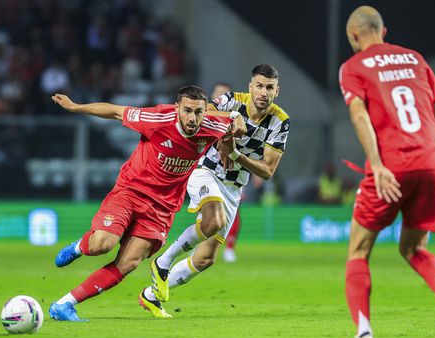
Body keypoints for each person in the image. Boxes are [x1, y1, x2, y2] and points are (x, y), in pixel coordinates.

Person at [48, 85, 246, 321]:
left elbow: (233, 125)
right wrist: (75, 107)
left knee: (129, 262)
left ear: (205, 112)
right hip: (131, 191)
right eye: (187, 111)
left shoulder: (212, 124)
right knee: (102, 244)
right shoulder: (158, 118)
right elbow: (115, 112)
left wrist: (231, 135)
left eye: (198, 112)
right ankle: (81, 246)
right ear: (177, 109)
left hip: (162, 208)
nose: (193, 118)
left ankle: (64, 305)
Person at [337, 6, 435, 338]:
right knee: (413, 248)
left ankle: (364, 335)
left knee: (358, 252)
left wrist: (378, 165)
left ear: (353, 36)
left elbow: (359, 113)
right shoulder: (415, 59)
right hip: (432, 161)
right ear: (384, 30)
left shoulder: (353, 67)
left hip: (391, 165)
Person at [142, 64, 291, 309]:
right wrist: (229, 125)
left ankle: (150, 294)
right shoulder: (232, 101)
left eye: (270, 88)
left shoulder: (280, 122)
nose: (264, 92)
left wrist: (234, 154)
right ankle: (163, 262)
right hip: (205, 171)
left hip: (234, 188)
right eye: (260, 86)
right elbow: (205, 112)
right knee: (215, 221)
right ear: (250, 86)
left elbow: (267, 170)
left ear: (277, 91)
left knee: (205, 259)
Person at [210, 81, 241, 263]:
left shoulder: (237, 119)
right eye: (217, 94)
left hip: (232, 171)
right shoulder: (203, 116)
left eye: (223, 95)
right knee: (206, 210)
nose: (219, 98)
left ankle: (229, 247)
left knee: (233, 212)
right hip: (208, 169)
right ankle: (199, 244)